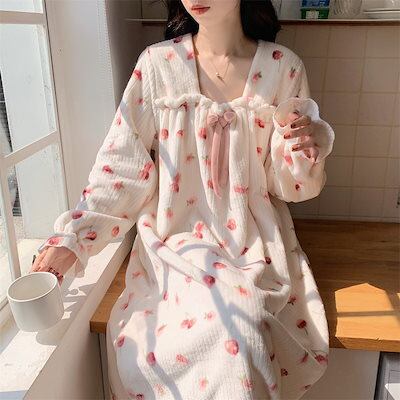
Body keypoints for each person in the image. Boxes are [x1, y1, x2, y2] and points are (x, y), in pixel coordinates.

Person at [30, 0, 335, 398]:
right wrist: (74, 239)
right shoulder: (158, 65)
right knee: (226, 333)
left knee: (245, 328)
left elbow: (288, 185)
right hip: (176, 241)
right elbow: (123, 167)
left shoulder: (283, 67)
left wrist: (305, 152)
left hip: (254, 243)